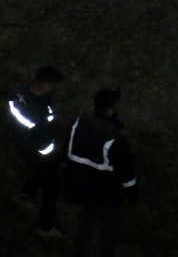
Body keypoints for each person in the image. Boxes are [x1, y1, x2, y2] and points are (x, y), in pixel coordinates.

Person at [64, 88, 138, 257]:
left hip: (82, 186)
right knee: (108, 230)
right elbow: (126, 173)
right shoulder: (116, 139)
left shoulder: (79, 122)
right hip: (106, 192)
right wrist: (133, 195)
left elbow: (67, 152)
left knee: (86, 223)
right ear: (110, 110)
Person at [7, 64, 64, 237]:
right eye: (54, 85)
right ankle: (46, 225)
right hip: (34, 150)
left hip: (26, 143)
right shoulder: (38, 112)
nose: (56, 89)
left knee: (42, 171)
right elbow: (40, 137)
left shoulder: (21, 92)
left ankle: (25, 194)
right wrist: (50, 152)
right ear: (44, 84)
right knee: (51, 183)